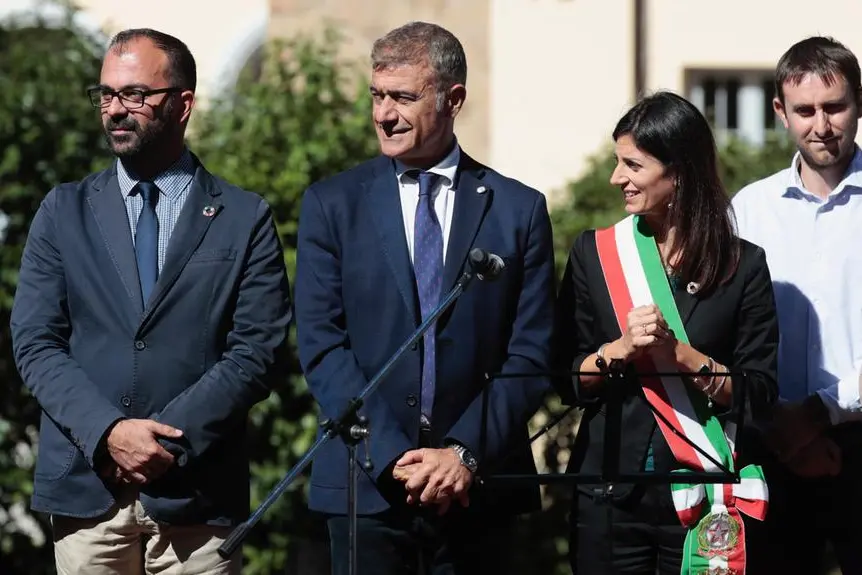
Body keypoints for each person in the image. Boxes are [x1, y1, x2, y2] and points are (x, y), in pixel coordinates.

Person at [10, 28, 291, 575]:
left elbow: (256, 352)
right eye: (107, 95)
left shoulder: (243, 217)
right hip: (88, 492)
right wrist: (109, 433)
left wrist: (163, 444)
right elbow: (37, 343)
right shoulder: (62, 212)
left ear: (183, 104)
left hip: (197, 496)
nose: (116, 109)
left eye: (136, 95)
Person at [295, 20, 555, 575]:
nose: (383, 114)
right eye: (377, 95)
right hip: (367, 488)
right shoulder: (331, 204)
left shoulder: (519, 210)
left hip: (479, 492)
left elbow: (531, 355)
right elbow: (322, 346)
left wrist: (462, 452)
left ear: (453, 98)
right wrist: (394, 458)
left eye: (403, 98)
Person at [554, 91, 779, 574]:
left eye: (632, 166)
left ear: (678, 172)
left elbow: (759, 392)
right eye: (618, 163)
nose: (617, 178)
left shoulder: (744, 266)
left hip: (706, 499)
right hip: (610, 497)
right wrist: (619, 349)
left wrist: (680, 355)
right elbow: (565, 381)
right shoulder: (595, 255)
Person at [732, 36, 862, 574]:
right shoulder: (749, 208)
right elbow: (729, 329)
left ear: (859, 103)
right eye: (805, 110)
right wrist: (782, 427)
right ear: (780, 112)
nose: (821, 125)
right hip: (770, 447)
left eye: (835, 107)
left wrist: (819, 413)